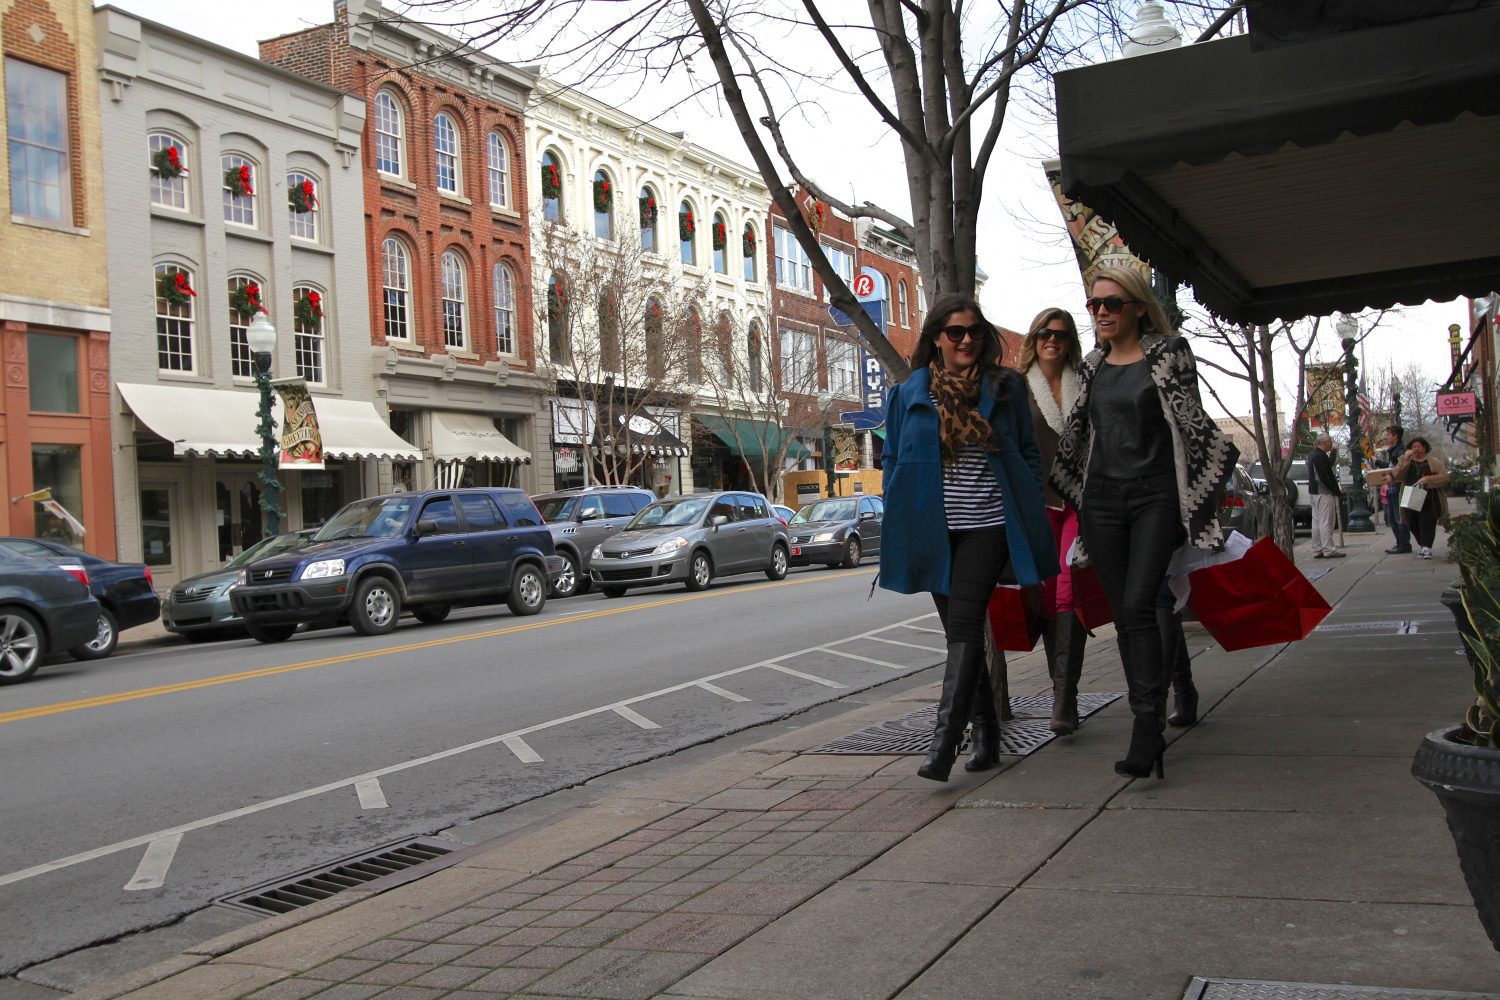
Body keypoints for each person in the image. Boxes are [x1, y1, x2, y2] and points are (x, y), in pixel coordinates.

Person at [1050, 267, 1238, 779]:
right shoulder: (1091, 367)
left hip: (1156, 496)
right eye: (1094, 306)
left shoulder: (1169, 353)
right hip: (1103, 502)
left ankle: (1145, 726)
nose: (1102, 313)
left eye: (1112, 303)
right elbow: (1080, 437)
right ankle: (1148, 723)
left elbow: (1190, 424)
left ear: (1137, 307)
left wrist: (1201, 495)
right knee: (1125, 613)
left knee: (1141, 603)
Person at [880, 293, 1058, 783]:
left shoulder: (1005, 388)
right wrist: (898, 500)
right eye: (955, 332)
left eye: (974, 332)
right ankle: (985, 730)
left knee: (963, 625)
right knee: (960, 632)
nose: (965, 340)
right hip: (933, 532)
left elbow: (1027, 452)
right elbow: (893, 458)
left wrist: (1023, 493)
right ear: (936, 338)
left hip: (988, 525)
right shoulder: (908, 394)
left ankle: (943, 742)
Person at [1017, 306, 1088, 735]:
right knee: (1045, 596)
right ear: (1034, 338)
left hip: (1079, 501)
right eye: (1045, 332)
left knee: (1067, 587)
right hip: (1037, 505)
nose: (1052, 340)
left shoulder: (1086, 384)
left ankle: (1065, 698)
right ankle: (1060, 691)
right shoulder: (1017, 388)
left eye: (1060, 334)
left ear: (1069, 341)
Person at [1390, 436, 1449, 559]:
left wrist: (1428, 480)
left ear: (1425, 448)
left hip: (1430, 497)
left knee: (1427, 521)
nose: (1416, 449)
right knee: (1412, 522)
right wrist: (1405, 459)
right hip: (1410, 495)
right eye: (1413, 447)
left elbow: (1444, 477)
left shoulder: (1434, 463)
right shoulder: (1405, 460)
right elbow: (1397, 474)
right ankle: (1422, 544)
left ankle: (1427, 547)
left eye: (1419, 446)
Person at [1307, 434, 1344, 560]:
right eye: (1330, 442)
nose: (1331, 443)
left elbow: (1328, 464)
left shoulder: (1315, 455)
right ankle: (1329, 549)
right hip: (1323, 492)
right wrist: (1335, 490)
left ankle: (1317, 549)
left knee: (1316, 522)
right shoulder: (1319, 456)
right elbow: (1323, 476)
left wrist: (1333, 452)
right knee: (1326, 521)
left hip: (1315, 492)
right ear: (1325, 442)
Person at [1379, 425, 1413, 554]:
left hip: (1398, 489)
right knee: (1393, 518)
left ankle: (1404, 544)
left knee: (1399, 518)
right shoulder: (1394, 450)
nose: (1386, 437)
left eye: (1388, 435)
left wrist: (1392, 476)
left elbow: (1401, 468)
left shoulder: (1400, 450)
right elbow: (1392, 468)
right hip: (1392, 489)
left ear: (1395, 436)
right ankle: (1400, 542)